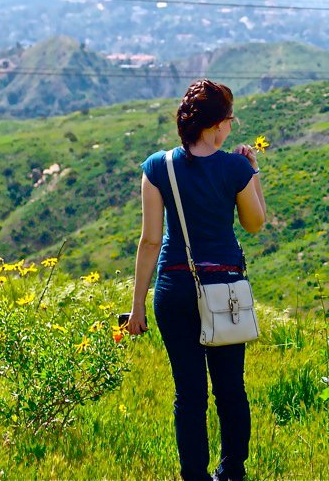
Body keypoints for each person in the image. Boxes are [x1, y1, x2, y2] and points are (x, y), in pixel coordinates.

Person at [128, 79, 266, 481]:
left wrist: (137, 305)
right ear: (215, 124)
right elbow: (255, 224)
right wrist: (253, 172)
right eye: (229, 118)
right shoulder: (236, 167)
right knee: (230, 389)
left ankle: (193, 475)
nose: (231, 126)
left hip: (173, 289)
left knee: (188, 393)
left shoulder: (158, 166)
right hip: (224, 290)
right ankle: (232, 471)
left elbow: (150, 240)